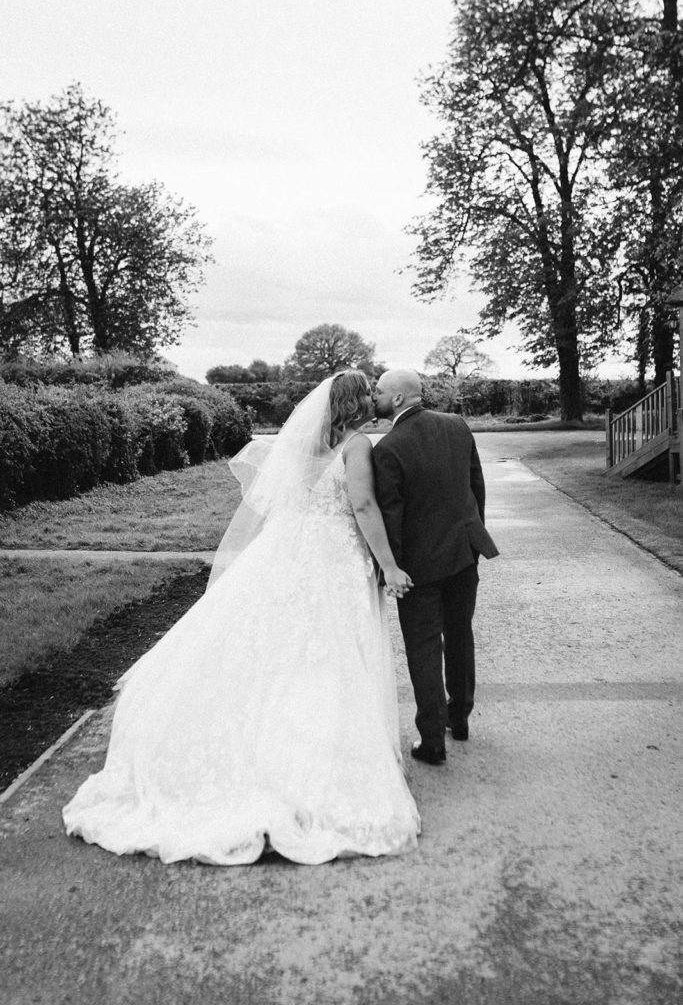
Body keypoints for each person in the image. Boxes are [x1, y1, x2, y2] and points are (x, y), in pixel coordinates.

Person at [63, 371, 420, 865]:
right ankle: (314, 760)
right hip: (332, 556)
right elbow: (360, 504)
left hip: (286, 547)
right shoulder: (356, 446)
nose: (370, 399)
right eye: (366, 393)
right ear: (354, 403)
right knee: (328, 652)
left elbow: (281, 502)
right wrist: (388, 564)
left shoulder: (295, 447)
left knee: (271, 646)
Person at [372, 369, 499, 766]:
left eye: (378, 391)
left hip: (419, 567)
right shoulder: (457, 425)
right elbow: (476, 487)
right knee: (460, 635)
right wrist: (472, 537)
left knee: (424, 647)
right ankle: (459, 719)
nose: (372, 396)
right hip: (464, 553)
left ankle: (432, 742)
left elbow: (392, 516)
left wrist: (390, 568)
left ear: (396, 400)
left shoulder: (388, 449)